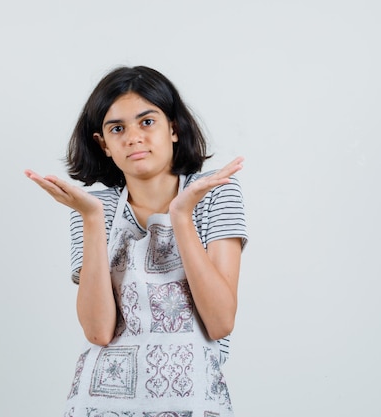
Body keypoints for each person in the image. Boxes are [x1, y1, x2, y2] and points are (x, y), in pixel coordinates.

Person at [25, 65, 248, 417]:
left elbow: (220, 321)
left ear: (173, 128)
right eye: (117, 128)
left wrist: (181, 216)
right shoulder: (94, 207)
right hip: (100, 404)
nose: (133, 137)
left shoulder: (215, 193)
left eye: (147, 122)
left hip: (193, 403)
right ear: (103, 144)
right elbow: (98, 331)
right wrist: (92, 219)